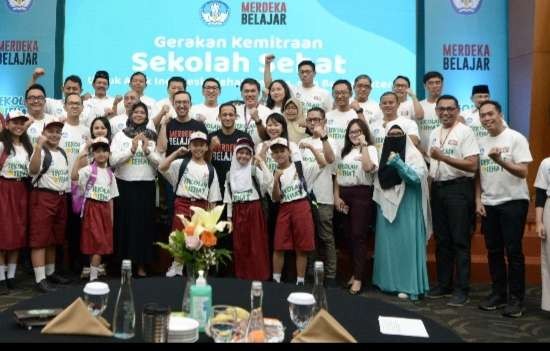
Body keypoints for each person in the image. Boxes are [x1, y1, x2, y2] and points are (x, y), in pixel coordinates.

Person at [476, 100, 532, 318]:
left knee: (514, 251)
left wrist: (500, 160)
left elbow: (523, 172)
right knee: (494, 251)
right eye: (483, 116)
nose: (487, 119)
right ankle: (498, 294)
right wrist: (478, 199)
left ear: (499, 114)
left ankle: (516, 299)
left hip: (513, 202)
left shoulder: (515, 137)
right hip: (489, 204)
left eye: (491, 114)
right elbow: (479, 175)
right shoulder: (481, 140)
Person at [427, 95, 479, 307]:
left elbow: (472, 165)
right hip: (438, 189)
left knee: (460, 240)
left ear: (457, 110)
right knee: (442, 240)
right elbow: (433, 162)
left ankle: (462, 288)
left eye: (450, 109)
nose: (445, 113)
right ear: (437, 111)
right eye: (441, 109)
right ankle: (444, 284)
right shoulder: (433, 132)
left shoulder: (465, 132)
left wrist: (444, 158)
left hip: (458, 189)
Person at [372, 125, 431, 300]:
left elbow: (415, 178)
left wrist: (398, 162)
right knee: (388, 247)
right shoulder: (383, 152)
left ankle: (408, 285)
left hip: (408, 205)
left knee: (407, 246)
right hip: (385, 204)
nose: (395, 137)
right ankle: (387, 283)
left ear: (405, 136)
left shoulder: (413, 155)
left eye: (398, 134)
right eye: (391, 135)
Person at [110, 102, 161, 278]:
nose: (139, 115)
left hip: (146, 187)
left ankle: (141, 265)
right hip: (124, 186)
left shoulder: (152, 136)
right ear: (130, 115)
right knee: (125, 226)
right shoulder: (120, 136)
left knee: (143, 228)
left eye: (142, 112)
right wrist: (131, 150)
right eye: (136, 112)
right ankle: (125, 265)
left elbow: (160, 164)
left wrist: (147, 151)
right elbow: (112, 161)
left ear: (147, 117)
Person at [334, 119, 378, 294]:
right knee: (347, 237)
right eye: (351, 132)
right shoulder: (344, 152)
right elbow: (337, 176)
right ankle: (354, 273)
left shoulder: (371, 149)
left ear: (364, 133)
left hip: (362, 195)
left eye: (358, 131)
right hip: (344, 194)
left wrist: (364, 146)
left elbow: (368, 167)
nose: (354, 135)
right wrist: (336, 196)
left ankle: (359, 278)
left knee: (359, 236)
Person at [28, 117, 72, 293]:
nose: (54, 135)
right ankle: (40, 279)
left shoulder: (61, 152)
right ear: (43, 133)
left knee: (54, 238)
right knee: (39, 239)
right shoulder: (40, 151)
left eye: (57, 132)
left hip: (60, 198)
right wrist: (38, 147)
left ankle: (51, 272)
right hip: (43, 197)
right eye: (50, 131)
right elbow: (32, 170)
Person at [269, 137, 316, 286]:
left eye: (282, 151)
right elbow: (276, 198)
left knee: (302, 246)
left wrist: (312, 148)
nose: (279, 155)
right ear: (272, 156)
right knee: (279, 244)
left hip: (301, 205)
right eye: (275, 152)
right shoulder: (274, 171)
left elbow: (323, 163)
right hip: (284, 207)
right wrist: (276, 180)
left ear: (289, 152)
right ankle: (276, 279)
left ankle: (300, 281)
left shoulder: (299, 166)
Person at [223, 138, 271, 281]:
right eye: (240, 153)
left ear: (251, 156)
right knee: (240, 244)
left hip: (254, 210)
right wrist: (229, 218)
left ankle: (259, 276)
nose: (243, 156)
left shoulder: (254, 171)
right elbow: (228, 197)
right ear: (235, 154)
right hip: (238, 210)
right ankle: (242, 276)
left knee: (256, 244)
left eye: (246, 153)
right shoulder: (229, 174)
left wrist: (261, 162)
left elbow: (268, 182)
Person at [71, 137, 118, 282]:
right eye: (97, 151)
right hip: (92, 208)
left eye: (104, 151)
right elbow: (73, 176)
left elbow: (111, 199)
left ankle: (93, 272)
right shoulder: (88, 170)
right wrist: (80, 156)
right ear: (93, 154)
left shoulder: (111, 174)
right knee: (96, 242)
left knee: (100, 242)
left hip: (104, 210)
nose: (101, 154)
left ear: (109, 154)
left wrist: (111, 220)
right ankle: (93, 275)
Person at [300, 107, 338, 286]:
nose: (314, 123)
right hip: (305, 197)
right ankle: (311, 274)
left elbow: (330, 160)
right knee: (309, 237)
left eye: (317, 120)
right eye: (310, 120)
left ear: (324, 122)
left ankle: (330, 276)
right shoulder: (303, 142)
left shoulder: (331, 140)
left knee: (326, 237)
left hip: (323, 197)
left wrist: (323, 137)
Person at [0, 111, 33, 294]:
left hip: (22, 191)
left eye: (22, 122)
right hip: (4, 189)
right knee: (3, 233)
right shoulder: (1, 146)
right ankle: (1, 277)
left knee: (18, 233)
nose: (18, 126)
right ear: (7, 124)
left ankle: (11, 275)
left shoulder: (28, 147)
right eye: (15, 122)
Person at [59, 93, 89, 275]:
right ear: (65, 106)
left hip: (81, 187)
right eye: (71, 103)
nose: (74, 106)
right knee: (64, 228)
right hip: (61, 184)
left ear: (82, 107)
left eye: (78, 104)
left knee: (78, 228)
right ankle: (64, 266)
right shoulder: (59, 127)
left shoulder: (86, 131)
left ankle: (77, 264)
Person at [264, 56, 332, 119]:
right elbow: (270, 86)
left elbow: (330, 114)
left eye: (307, 72)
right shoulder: (292, 90)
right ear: (298, 74)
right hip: (296, 129)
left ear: (314, 73)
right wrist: (267, 64)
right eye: (302, 72)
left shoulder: (324, 93)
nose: (304, 74)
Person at [209, 102, 252, 196]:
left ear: (236, 116)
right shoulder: (212, 137)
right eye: (224, 115)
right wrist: (211, 148)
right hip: (216, 187)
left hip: (239, 187)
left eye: (231, 115)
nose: (228, 118)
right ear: (219, 117)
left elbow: (251, 163)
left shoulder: (244, 137)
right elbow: (204, 163)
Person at [370, 92, 421, 157]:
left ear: (398, 104)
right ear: (380, 106)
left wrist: (389, 127)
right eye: (384, 103)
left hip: (401, 163)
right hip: (379, 165)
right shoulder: (373, 125)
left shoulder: (409, 123)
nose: (387, 105)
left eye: (391, 103)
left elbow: (415, 141)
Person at [326, 79, 362, 149]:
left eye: (343, 93)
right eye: (336, 93)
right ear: (332, 94)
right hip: (331, 158)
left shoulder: (356, 115)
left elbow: (366, 136)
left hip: (350, 157)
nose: (339, 96)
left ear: (351, 94)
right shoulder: (327, 116)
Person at [535, 156, 550, 313]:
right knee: (549, 257)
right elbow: (540, 195)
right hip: (549, 208)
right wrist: (539, 222)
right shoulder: (546, 163)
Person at [235, 78, 270, 145]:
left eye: (253, 91)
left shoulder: (267, 112)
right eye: (246, 91)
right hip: (238, 153)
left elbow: (267, 137)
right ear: (241, 94)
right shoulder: (235, 111)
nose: (250, 94)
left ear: (259, 93)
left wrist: (257, 120)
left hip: (259, 154)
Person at [418, 72, 444, 159]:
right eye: (431, 83)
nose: (435, 85)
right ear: (425, 86)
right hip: (422, 155)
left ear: (442, 85)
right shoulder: (418, 106)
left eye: (437, 82)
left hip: (445, 155)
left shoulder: (449, 105)